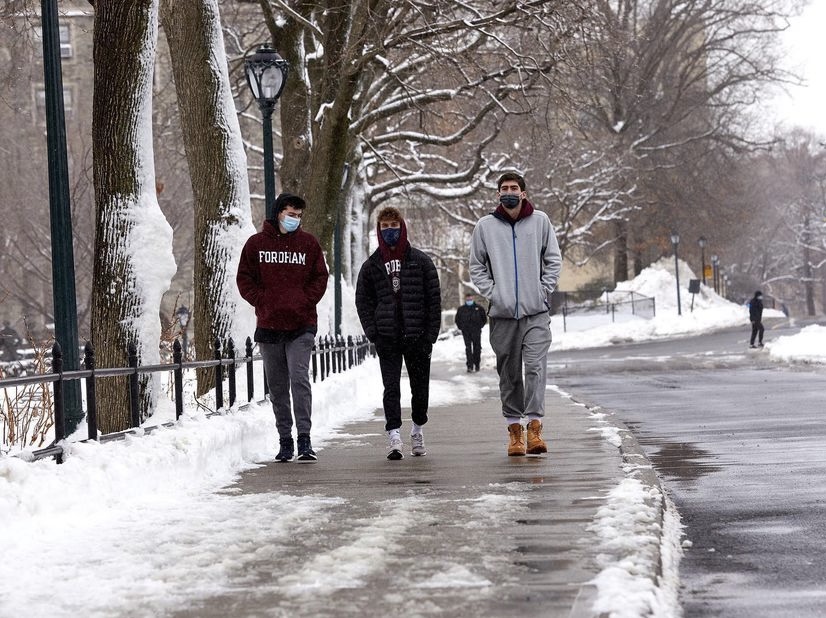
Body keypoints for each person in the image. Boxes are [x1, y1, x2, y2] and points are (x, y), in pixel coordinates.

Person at [469, 172, 562, 457]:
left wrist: (543, 289)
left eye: (514, 188)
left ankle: (534, 428)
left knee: (534, 368)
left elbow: (553, 259)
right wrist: (495, 293)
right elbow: (476, 266)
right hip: (503, 314)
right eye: (504, 188)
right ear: (498, 194)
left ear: (523, 192)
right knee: (509, 374)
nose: (509, 191)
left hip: (535, 313)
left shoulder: (541, 221)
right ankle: (514, 432)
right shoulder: (485, 226)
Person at [236, 193, 329, 463]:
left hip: (301, 324)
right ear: (278, 213)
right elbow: (244, 278)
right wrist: (261, 300)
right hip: (269, 324)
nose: (294, 219)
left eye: (298, 216)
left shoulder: (308, 244)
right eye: (290, 213)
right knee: (277, 387)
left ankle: (305, 438)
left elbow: (320, 277)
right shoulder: (256, 245)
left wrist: (304, 299)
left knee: (299, 379)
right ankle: (285, 440)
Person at [355, 207, 442, 460]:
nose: (390, 230)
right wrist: (374, 332)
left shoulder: (421, 261)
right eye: (385, 227)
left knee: (420, 388)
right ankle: (393, 435)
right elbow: (363, 301)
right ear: (378, 230)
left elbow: (433, 300)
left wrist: (430, 335)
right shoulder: (371, 265)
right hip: (388, 338)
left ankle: (417, 429)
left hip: (418, 337)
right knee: (390, 388)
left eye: (394, 225)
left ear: (402, 226)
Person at [455, 292, 486, 372]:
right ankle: (470, 366)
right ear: (465, 299)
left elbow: (484, 319)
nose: (469, 300)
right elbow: (457, 319)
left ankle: (477, 365)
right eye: (468, 299)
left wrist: (480, 326)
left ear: (473, 299)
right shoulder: (461, 309)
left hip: (476, 332)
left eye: (470, 299)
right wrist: (461, 327)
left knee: (477, 348)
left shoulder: (479, 308)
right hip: (466, 332)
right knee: (468, 349)